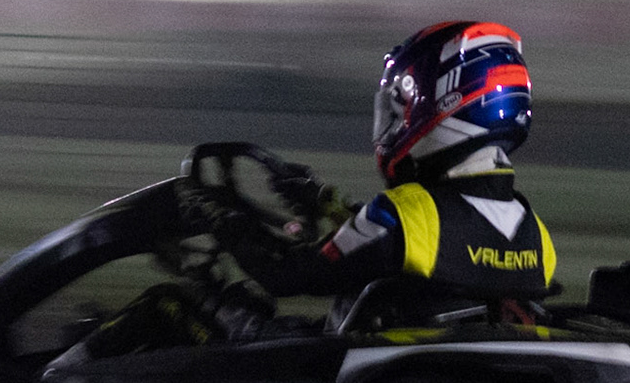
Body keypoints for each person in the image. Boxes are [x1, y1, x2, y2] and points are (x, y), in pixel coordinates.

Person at [220, 19, 555, 328]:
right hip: (457, 362)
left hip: (378, 369)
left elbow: (287, 274)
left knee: (226, 318)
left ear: (442, 101)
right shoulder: (536, 236)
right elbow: (415, 241)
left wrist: (223, 221)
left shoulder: (405, 215)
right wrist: (324, 201)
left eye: (399, 105)